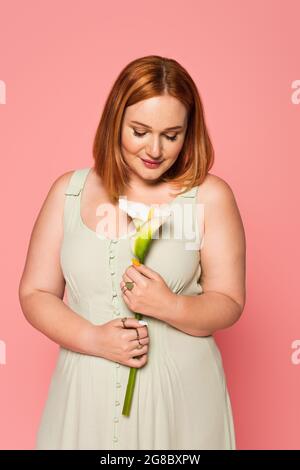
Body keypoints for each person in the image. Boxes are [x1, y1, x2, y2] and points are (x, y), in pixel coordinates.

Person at [18, 55, 246, 450]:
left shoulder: (210, 197)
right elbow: (34, 293)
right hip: (85, 396)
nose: (154, 149)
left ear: (188, 133)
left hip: (182, 405)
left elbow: (229, 301)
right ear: (114, 122)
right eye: (139, 131)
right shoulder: (67, 192)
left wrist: (170, 306)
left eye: (171, 135)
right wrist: (93, 338)